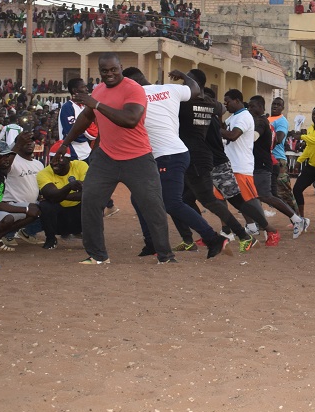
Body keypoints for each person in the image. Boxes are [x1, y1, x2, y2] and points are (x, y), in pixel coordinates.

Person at [55, 53, 176, 265]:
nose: (109, 74)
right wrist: (66, 143)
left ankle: (165, 256)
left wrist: (97, 104)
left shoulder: (133, 89)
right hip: (106, 157)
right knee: (90, 201)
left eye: (113, 69)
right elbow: (86, 117)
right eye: (104, 71)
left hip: (138, 157)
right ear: (99, 71)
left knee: (153, 206)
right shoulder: (99, 90)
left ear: (120, 67)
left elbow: (131, 119)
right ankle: (97, 255)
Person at [122, 67, 228, 259]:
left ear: (130, 83)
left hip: (169, 156)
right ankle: (151, 243)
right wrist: (184, 76)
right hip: (170, 154)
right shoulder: (167, 89)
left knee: (172, 202)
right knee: (138, 198)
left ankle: (213, 238)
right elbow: (195, 89)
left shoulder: (135, 97)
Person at [175, 70, 257, 252]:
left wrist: (183, 77)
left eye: (186, 83)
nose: (182, 86)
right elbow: (221, 108)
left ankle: (242, 235)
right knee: (183, 199)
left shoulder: (186, 104)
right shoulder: (209, 104)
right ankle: (197, 238)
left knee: (208, 201)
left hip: (196, 159)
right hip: (197, 157)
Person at [221, 89, 281, 246]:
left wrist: (214, 128)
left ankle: (270, 229)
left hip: (241, 166)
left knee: (249, 201)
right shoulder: (232, 117)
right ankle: (227, 231)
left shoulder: (244, 117)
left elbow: (233, 136)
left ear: (237, 101)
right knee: (219, 198)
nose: (225, 104)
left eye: (227, 101)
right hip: (228, 165)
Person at [248, 95, 307, 237]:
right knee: (261, 194)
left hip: (277, 159)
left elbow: (279, 139)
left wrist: (266, 143)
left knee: (283, 193)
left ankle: (298, 219)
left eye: (278, 105)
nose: (275, 106)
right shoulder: (266, 119)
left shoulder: (281, 121)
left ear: (283, 108)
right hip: (263, 159)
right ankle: (258, 223)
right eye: (274, 104)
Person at [36, 140, 87, 250]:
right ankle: (51, 238)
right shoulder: (43, 173)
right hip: (59, 217)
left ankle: (90, 238)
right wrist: (69, 187)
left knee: (94, 201)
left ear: (69, 160)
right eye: (52, 159)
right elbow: (52, 195)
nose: (54, 163)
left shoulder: (81, 166)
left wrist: (58, 196)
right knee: (45, 205)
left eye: (59, 159)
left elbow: (88, 194)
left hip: (78, 212)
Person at [291, 106, 315, 222]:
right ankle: (301, 219)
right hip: (311, 166)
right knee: (297, 189)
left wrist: (302, 137)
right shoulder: (310, 129)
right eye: (314, 114)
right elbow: (309, 148)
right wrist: (299, 160)